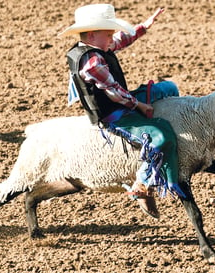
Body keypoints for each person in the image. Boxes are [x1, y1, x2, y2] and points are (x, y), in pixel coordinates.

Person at [59, 4, 184, 219]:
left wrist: (144, 26)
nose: (113, 38)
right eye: (109, 34)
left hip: (121, 102)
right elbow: (113, 91)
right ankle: (143, 183)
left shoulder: (96, 47)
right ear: (92, 34)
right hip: (113, 114)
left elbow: (120, 41)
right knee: (162, 137)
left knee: (169, 88)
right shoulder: (91, 63)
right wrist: (139, 106)